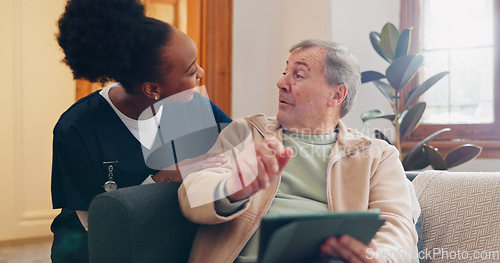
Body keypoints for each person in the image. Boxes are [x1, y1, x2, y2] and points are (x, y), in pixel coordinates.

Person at [178, 39, 419, 262]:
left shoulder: (377, 155)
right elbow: (193, 192)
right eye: (285, 73)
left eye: (299, 75)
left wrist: (376, 256)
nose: (281, 83)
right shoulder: (246, 132)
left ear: (337, 94)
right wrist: (233, 188)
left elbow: (397, 226)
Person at [50, 0, 231, 262]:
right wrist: (165, 178)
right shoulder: (77, 128)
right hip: (93, 249)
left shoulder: (195, 105)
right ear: (152, 89)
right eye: (191, 71)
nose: (201, 73)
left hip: (164, 241)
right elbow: (97, 222)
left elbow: (239, 142)